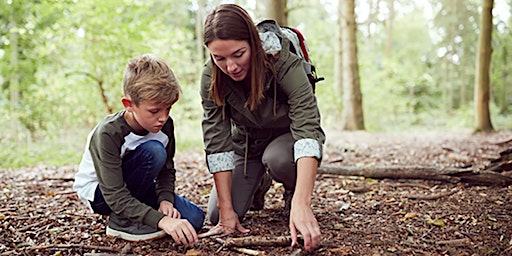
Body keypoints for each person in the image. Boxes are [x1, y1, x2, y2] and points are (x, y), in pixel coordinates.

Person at [200, 4, 325, 252]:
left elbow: (308, 132)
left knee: (277, 158)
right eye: (219, 58)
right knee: (216, 215)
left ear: (253, 44)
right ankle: (259, 183)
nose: (231, 66)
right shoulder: (211, 78)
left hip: (286, 141)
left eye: (238, 54)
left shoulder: (284, 64)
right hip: (247, 145)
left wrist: (303, 204)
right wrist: (226, 210)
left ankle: (292, 191)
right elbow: (216, 143)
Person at [73, 54, 204, 245]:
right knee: (154, 151)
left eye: (168, 108)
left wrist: (165, 201)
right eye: (154, 111)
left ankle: (138, 215)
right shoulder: (108, 133)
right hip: (103, 195)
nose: (163, 117)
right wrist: (162, 220)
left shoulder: (166, 126)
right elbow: (114, 195)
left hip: (137, 187)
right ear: (129, 105)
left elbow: (166, 171)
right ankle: (121, 222)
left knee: (194, 219)